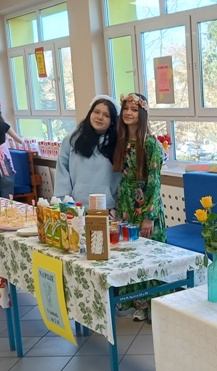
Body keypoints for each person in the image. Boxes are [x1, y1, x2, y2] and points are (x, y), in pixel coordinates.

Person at [113, 92, 167, 322]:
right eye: (126, 108)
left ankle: (156, 306)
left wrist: (149, 216)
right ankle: (139, 304)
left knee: (151, 257)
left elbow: (155, 182)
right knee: (131, 255)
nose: (129, 113)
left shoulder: (151, 144)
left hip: (146, 205)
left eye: (134, 110)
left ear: (142, 113)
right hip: (126, 205)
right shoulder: (122, 141)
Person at [55, 94, 121, 207]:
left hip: (108, 208)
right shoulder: (72, 139)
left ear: (112, 121)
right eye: (96, 112)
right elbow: (62, 172)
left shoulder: (118, 144)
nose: (100, 117)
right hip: (76, 207)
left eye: (106, 115)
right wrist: (64, 201)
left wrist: (119, 207)